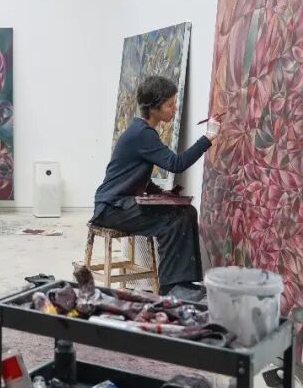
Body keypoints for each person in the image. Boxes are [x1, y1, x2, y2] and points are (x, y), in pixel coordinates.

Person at [92, 75, 219, 301]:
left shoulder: (141, 130)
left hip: (118, 204)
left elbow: (134, 175)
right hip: (111, 208)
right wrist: (208, 137)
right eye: (170, 105)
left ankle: (183, 282)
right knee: (173, 220)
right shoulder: (142, 133)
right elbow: (176, 164)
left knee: (186, 212)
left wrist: (162, 195)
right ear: (154, 107)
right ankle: (171, 287)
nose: (174, 109)